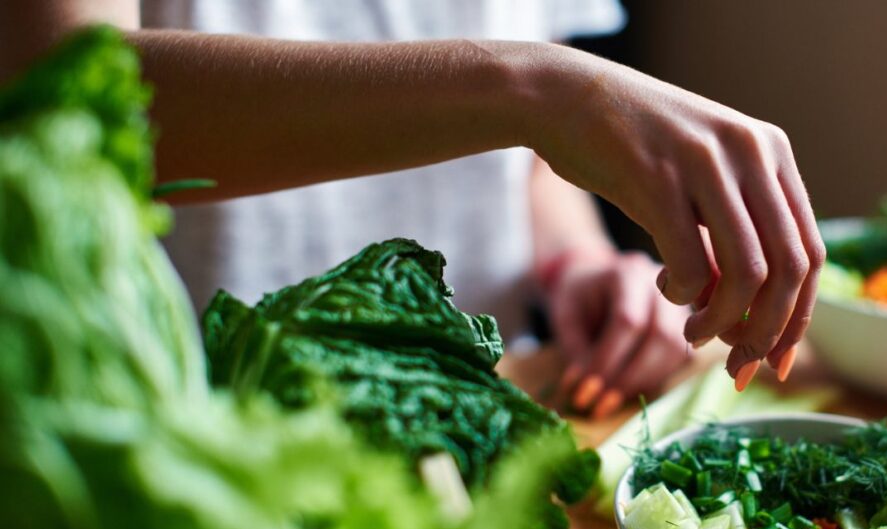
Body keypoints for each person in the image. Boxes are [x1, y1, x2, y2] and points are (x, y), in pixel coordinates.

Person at [0, 0, 825, 419]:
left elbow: (528, 167)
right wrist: (536, 90)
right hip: (186, 422)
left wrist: (573, 260)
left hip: (483, 415)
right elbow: (54, 91)